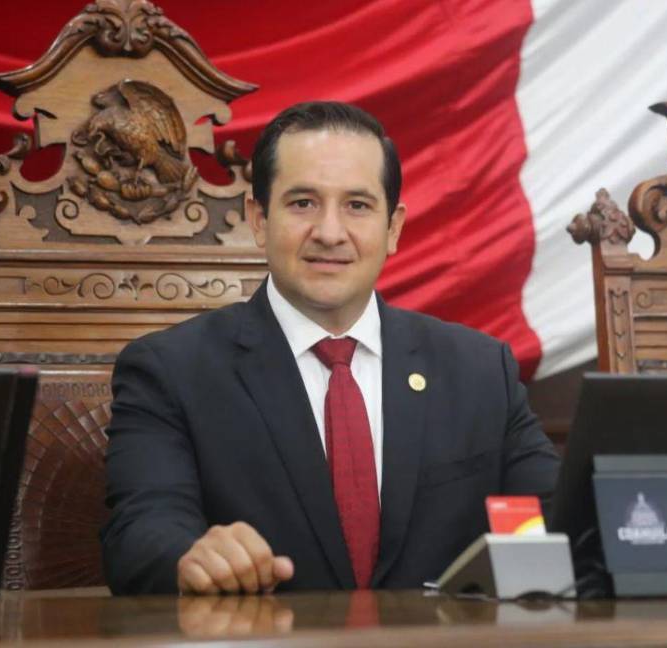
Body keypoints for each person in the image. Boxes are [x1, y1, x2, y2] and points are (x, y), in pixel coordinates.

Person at [100, 101, 559, 595]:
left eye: (357, 206)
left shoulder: (479, 371)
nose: (330, 233)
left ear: (393, 228)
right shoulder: (170, 371)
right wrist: (190, 556)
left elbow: (557, 519)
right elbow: (141, 533)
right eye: (303, 203)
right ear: (258, 219)